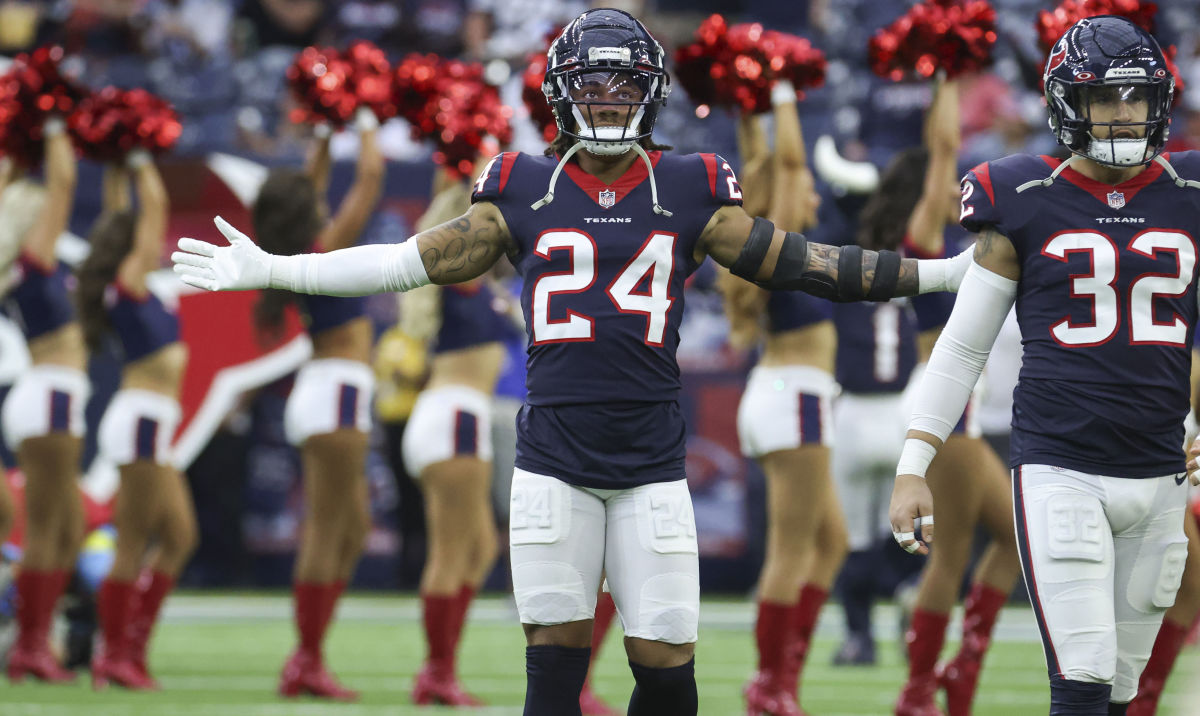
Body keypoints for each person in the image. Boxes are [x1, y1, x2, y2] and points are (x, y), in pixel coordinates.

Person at [172, 10, 970, 714]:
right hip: (554, 461)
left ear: (650, 95)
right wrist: (275, 268)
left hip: (652, 462)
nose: (610, 101)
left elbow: (801, 262)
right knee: (552, 673)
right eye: (594, 86)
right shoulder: (522, 185)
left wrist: (937, 274)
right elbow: (405, 261)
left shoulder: (689, 184)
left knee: (666, 672)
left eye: (625, 88)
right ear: (563, 94)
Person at [889, 16, 1197, 715]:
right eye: (1104, 98)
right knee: (1081, 683)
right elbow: (962, 347)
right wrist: (914, 463)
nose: (1123, 114)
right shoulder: (1024, 197)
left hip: (1160, 473)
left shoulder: (1188, 192)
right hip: (1064, 465)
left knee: (1121, 694)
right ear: (1068, 103)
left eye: (1136, 98)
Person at [887, 78, 1022, 716]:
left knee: (1002, 544)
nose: (956, 193)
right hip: (943, 412)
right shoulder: (926, 245)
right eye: (944, 186)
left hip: (957, 411)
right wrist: (947, 75)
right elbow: (943, 151)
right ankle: (928, 685)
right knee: (958, 555)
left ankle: (947, 676)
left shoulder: (975, 248)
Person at [720, 81, 848, 716]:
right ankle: (768, 683)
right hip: (793, 392)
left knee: (831, 543)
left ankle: (782, 675)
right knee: (793, 549)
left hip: (782, 388)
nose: (816, 194)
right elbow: (787, 166)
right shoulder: (777, 238)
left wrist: (749, 112)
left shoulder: (757, 236)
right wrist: (783, 91)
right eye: (805, 189)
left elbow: (764, 168)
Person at [252, 107, 384, 700]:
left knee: (351, 529)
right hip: (334, 391)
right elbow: (371, 182)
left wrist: (326, 133)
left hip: (329, 390)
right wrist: (363, 117)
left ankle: (309, 653)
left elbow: (321, 183)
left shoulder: (302, 251)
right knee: (327, 531)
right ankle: (304, 659)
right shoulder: (323, 248)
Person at [76, 152, 198, 690]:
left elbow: (120, 214)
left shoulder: (134, 282)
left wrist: (118, 166)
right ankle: (112, 655)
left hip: (151, 423)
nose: (158, 242)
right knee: (133, 542)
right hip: (142, 421)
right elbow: (155, 209)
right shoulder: (129, 281)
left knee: (179, 536)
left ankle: (131, 649)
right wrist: (142, 156)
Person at [400, 171, 510, 706]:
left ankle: (441, 666)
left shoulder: (482, 285)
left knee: (482, 546)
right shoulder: (456, 277)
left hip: (458, 416)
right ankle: (436, 672)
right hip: (453, 417)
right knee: (450, 551)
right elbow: (454, 215)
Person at [1, 117, 88, 684]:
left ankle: (35, 639)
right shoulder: (33, 266)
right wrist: (52, 122)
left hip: (53, 394)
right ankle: (30, 644)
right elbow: (63, 185)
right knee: (49, 526)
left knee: (65, 526)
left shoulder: (24, 268)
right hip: (48, 392)